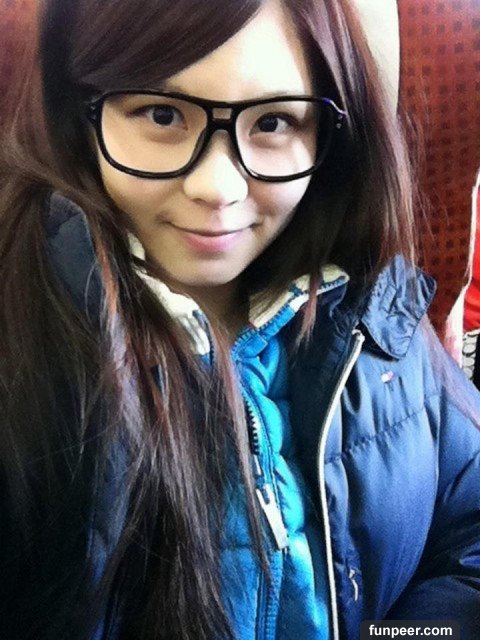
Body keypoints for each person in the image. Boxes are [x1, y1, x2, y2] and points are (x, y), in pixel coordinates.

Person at [0, 1, 479, 639]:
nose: (218, 188)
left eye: (274, 122)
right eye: (162, 114)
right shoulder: (20, 337)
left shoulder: (375, 317)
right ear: (79, 113)